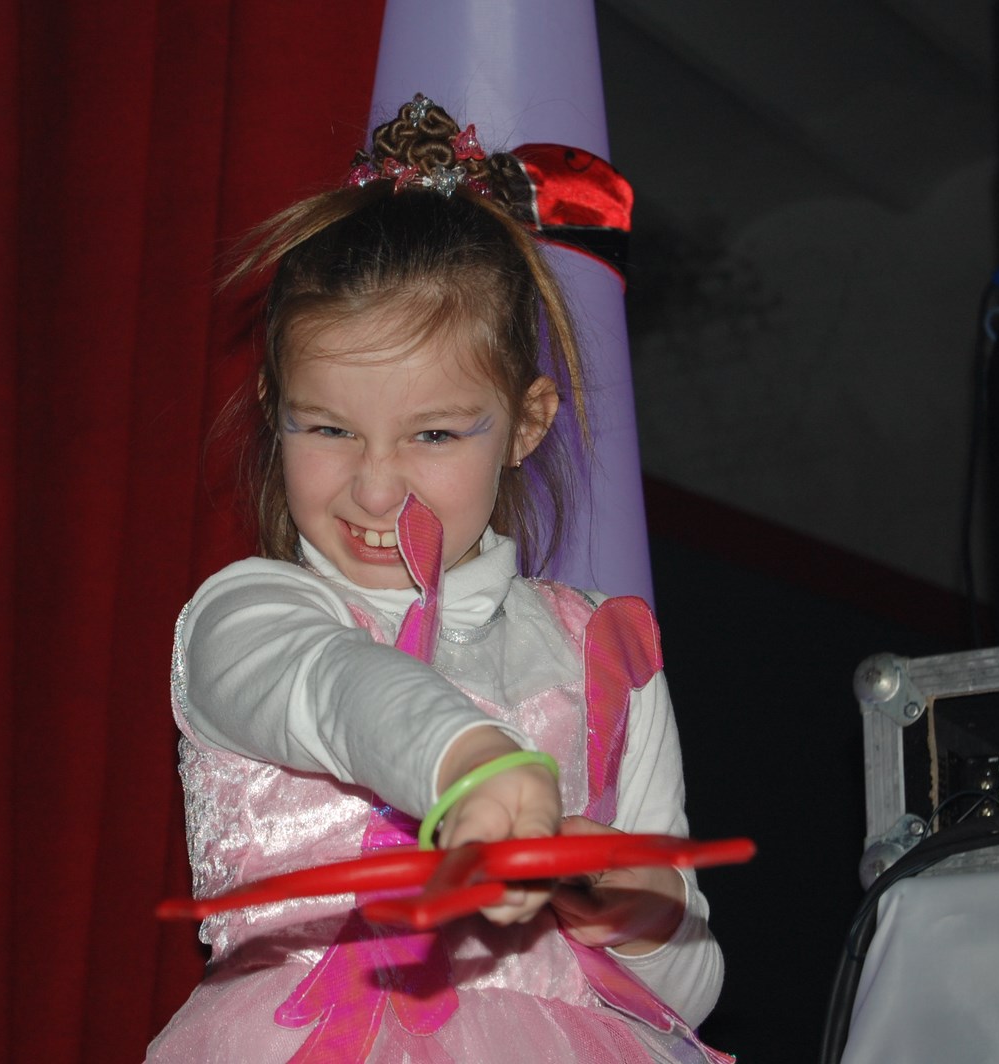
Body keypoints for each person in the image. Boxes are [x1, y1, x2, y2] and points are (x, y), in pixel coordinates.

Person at [148, 95, 727, 1063]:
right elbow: (339, 689)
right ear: (274, 410)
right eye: (327, 428)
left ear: (526, 425)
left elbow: (690, 990)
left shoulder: (602, 649)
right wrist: (473, 765)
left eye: (432, 434)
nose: (376, 486)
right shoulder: (248, 614)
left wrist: (631, 902)